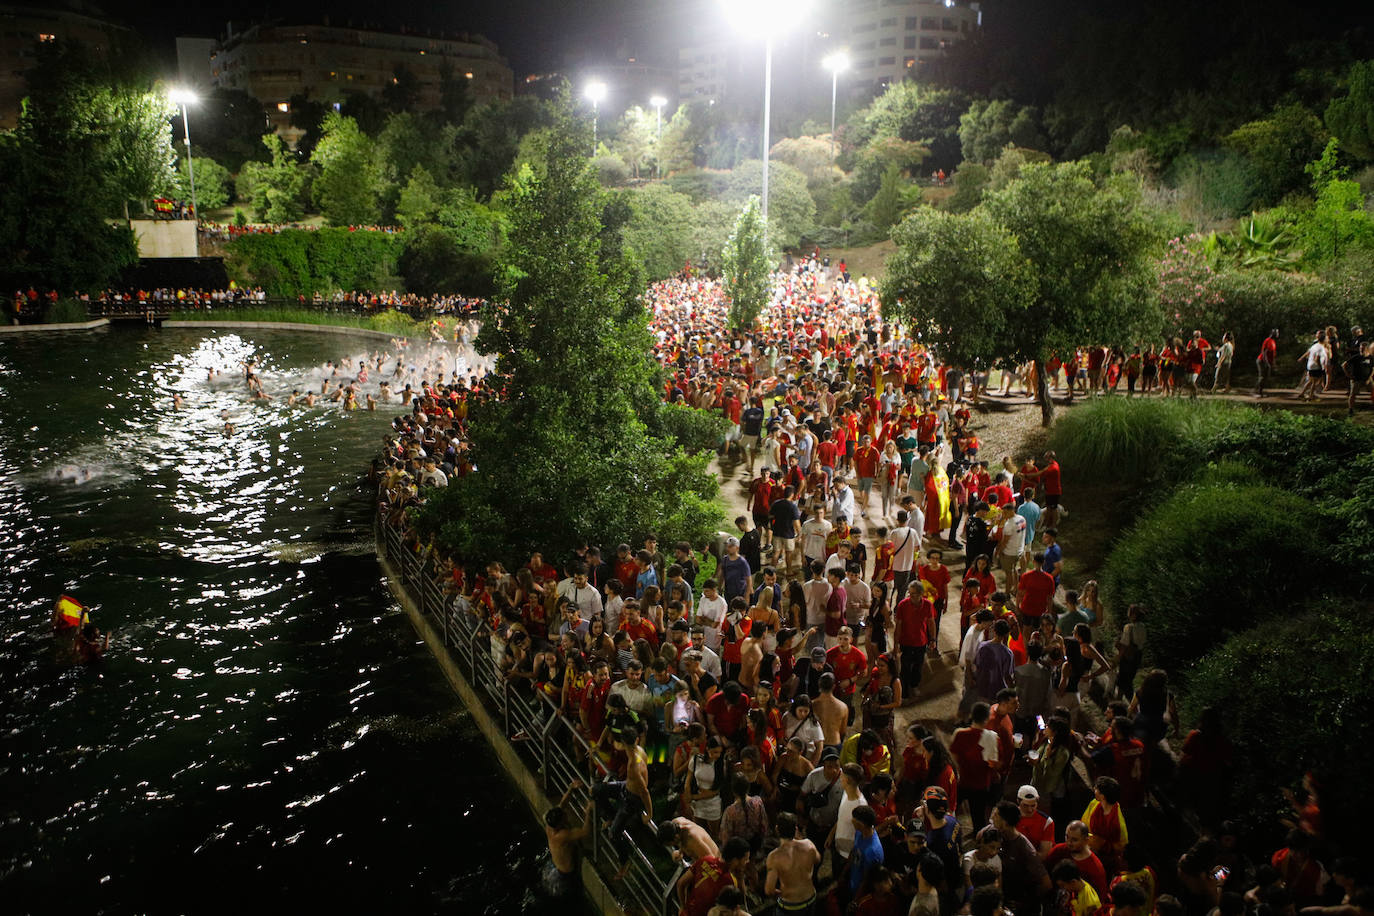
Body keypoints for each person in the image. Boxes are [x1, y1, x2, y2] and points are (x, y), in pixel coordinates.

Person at [542, 780, 595, 897]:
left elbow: (562, 804)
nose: (566, 815)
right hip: (567, 874)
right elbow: (586, 832)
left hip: (557, 867)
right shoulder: (562, 835)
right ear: (560, 823)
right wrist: (588, 812)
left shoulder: (549, 825)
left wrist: (571, 788)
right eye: (564, 817)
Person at [765, 811, 822, 914]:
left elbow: (769, 890)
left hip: (790, 906)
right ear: (795, 829)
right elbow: (817, 860)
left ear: (777, 829)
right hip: (810, 899)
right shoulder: (809, 845)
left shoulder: (774, 857)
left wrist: (782, 893)